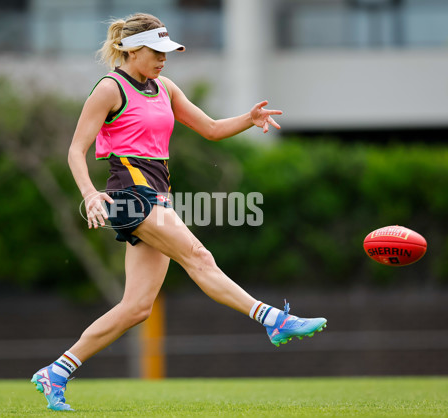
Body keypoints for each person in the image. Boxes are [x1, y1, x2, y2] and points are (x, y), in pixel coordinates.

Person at [31, 13, 327, 411]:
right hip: (130, 197)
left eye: (167, 52)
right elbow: (75, 150)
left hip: (159, 199)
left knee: (136, 308)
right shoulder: (109, 88)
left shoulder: (165, 87)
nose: (164, 59)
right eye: (156, 52)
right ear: (132, 50)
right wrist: (89, 193)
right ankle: (271, 319)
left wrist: (249, 119)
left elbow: (210, 128)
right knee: (199, 257)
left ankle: (56, 371)